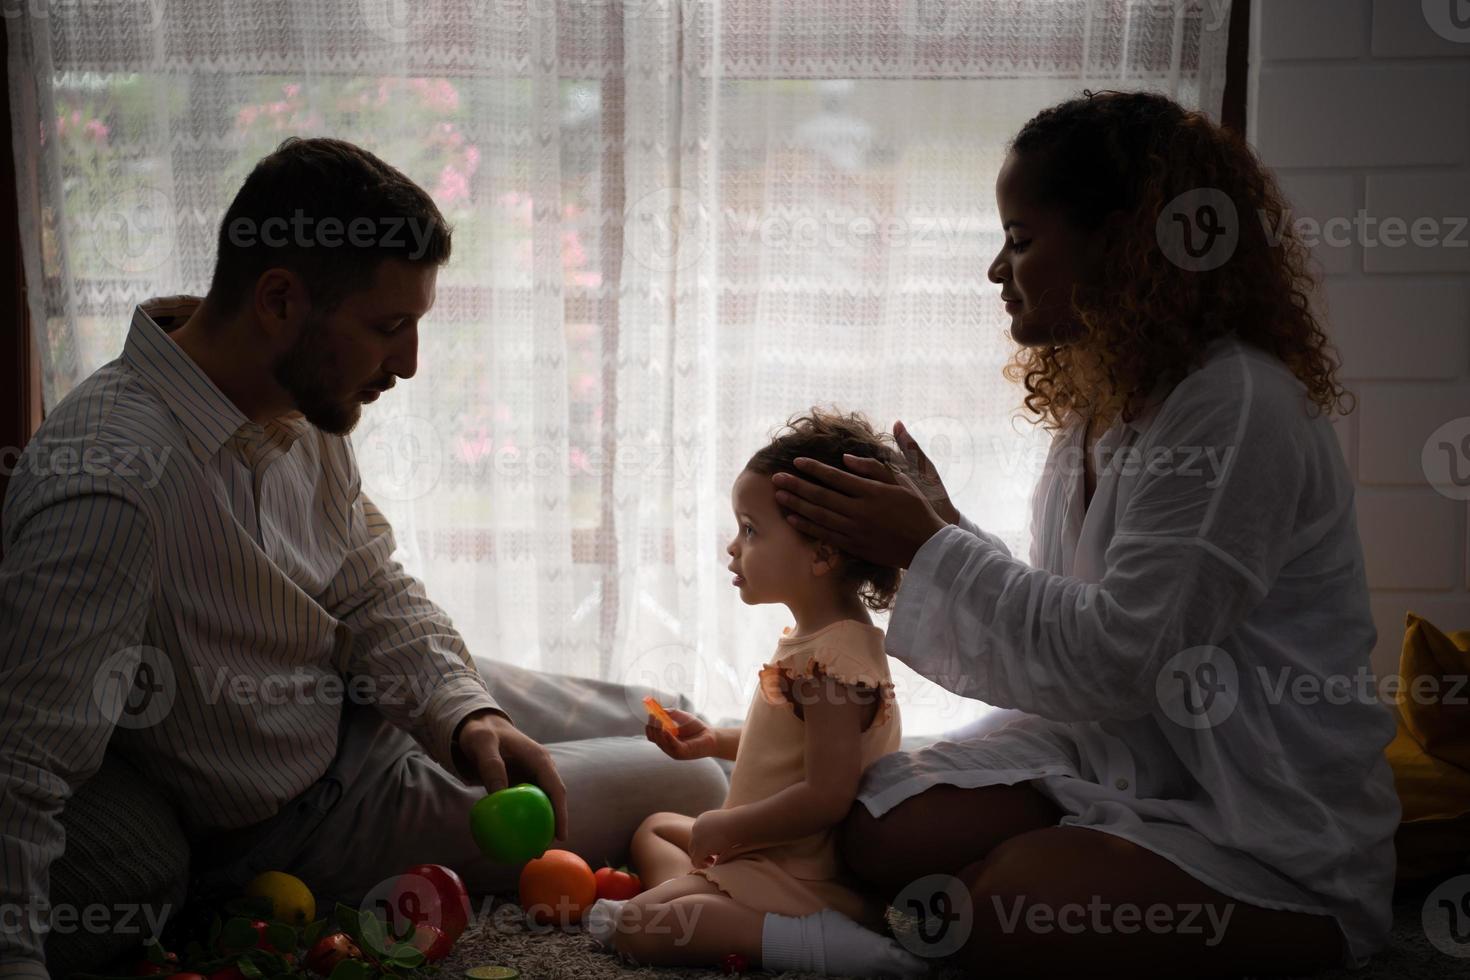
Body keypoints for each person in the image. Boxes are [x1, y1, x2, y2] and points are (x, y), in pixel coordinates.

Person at [0, 137, 728, 976]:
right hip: (307, 810)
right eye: (390, 328)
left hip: (366, 701)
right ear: (279, 300)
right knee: (700, 788)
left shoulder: (295, 401)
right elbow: (21, 763)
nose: (410, 364)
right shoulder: (112, 486)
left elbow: (366, 581)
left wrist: (464, 713)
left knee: (678, 720)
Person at [775, 91, 1401, 976]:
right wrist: (945, 530)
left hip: (1262, 822)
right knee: (876, 827)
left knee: (1005, 904)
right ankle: (1081, 848)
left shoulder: (1236, 408)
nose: (999, 270)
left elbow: (1116, 657)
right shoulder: (1103, 407)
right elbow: (1069, 618)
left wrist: (932, 545)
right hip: (1124, 751)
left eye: (1022, 241)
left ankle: (1137, 880)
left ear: (1126, 248)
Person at [582, 410, 928, 978]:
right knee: (656, 827)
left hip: (801, 874)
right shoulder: (815, 641)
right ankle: (710, 903)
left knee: (638, 929)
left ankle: (824, 943)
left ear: (822, 554)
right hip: (761, 857)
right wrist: (712, 740)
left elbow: (825, 794)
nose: (732, 546)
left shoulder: (833, 662)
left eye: (750, 529)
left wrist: (729, 828)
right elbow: (792, 751)